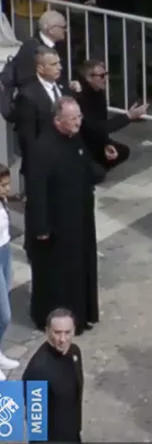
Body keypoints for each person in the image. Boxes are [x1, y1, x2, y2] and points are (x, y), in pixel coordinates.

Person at [25, 97, 98, 335]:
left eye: (79, 117)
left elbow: (85, 165)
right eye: (73, 118)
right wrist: (42, 227)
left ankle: (80, 314)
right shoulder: (42, 149)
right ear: (58, 120)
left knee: (79, 269)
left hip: (79, 218)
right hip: (56, 225)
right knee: (57, 276)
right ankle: (55, 320)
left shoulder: (74, 138)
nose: (79, 122)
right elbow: (37, 192)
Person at [75, 60, 148, 173]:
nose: (105, 79)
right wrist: (128, 116)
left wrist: (106, 143)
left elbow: (101, 125)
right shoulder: (82, 98)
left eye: (106, 74)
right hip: (83, 143)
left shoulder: (98, 93)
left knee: (123, 151)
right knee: (97, 173)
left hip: (96, 140)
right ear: (89, 78)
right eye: (102, 76)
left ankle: (95, 165)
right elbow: (96, 127)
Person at [22, 308, 84, 442]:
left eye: (67, 332)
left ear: (74, 330)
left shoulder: (75, 352)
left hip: (72, 433)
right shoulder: (38, 370)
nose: (63, 339)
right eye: (57, 333)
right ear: (47, 331)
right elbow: (35, 424)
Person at [17, 46, 74, 178]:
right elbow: (28, 136)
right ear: (40, 68)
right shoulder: (28, 95)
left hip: (67, 156)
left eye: (59, 63)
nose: (60, 67)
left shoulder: (63, 87)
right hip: (43, 164)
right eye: (54, 64)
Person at [13, 11, 70, 87]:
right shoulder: (31, 47)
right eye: (63, 27)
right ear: (51, 30)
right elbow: (27, 79)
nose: (65, 30)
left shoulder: (60, 46)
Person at [0, 164, 18, 377]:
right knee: (4, 315)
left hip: (5, 252)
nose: (7, 188)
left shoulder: (3, 201)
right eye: (2, 185)